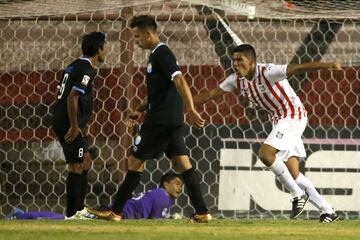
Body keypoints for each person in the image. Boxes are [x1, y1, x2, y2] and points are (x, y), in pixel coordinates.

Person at [193, 44, 341, 223]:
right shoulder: (236, 80)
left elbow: (297, 68)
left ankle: (297, 194)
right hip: (279, 121)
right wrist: (183, 103)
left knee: (265, 153)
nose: (235, 64)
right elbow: (210, 94)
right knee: (293, 174)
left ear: (253, 62)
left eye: (240, 60)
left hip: (293, 115)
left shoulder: (268, 71)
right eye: (234, 60)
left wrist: (327, 65)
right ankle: (328, 211)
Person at [89, 15, 211, 223]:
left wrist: (191, 109)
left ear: (148, 33)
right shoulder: (158, 55)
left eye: (137, 36)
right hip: (171, 119)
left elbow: (180, 80)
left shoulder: (162, 53)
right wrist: (140, 108)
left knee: (135, 161)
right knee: (183, 163)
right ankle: (202, 212)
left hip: (160, 121)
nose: (136, 41)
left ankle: (115, 211)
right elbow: (160, 92)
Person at [51, 32, 108, 219]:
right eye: (105, 47)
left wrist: (80, 123)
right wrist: (75, 125)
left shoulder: (74, 65)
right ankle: (72, 213)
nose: (107, 50)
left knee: (85, 161)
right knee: (76, 165)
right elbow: (72, 96)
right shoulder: (86, 70)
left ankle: (79, 209)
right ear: (99, 49)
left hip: (67, 120)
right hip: (69, 124)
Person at [5, 172, 183, 220]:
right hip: (113, 215)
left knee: (69, 219)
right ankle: (21, 215)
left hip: (114, 213)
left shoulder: (156, 193)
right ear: (165, 183)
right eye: (177, 183)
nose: (179, 188)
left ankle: (22, 214)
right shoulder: (162, 196)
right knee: (67, 220)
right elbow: (155, 222)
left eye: (181, 185)